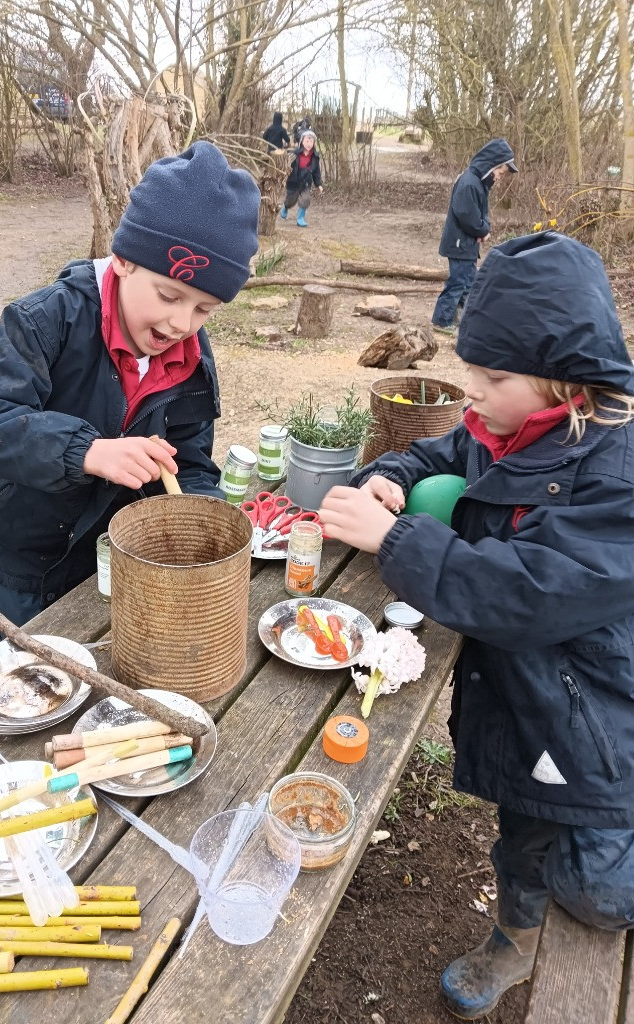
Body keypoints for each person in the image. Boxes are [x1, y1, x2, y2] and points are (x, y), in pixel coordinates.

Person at [320, 231, 634, 1020]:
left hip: (594, 717)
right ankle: (511, 937)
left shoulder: (616, 479)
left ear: (566, 384)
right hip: (526, 703)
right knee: (521, 829)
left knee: (597, 896)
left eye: (490, 376)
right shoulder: (504, 426)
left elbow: (530, 596)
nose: (471, 391)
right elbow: (437, 453)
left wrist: (397, 541)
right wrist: (388, 479)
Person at [0, 141, 260, 652]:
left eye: (204, 309)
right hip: (21, 542)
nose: (181, 323)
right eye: (169, 295)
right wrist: (89, 450)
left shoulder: (189, 354)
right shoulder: (45, 319)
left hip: (103, 547)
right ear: (125, 259)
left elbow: (190, 457)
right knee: (10, 648)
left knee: (84, 651)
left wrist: (200, 518)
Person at [431, 138, 517, 336]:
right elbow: (467, 216)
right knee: (458, 282)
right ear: (492, 165)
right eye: (500, 173)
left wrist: (484, 228)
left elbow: (480, 214)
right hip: (459, 244)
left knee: (469, 282)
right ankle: (442, 320)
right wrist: (482, 230)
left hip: (467, 244)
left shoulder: (479, 183)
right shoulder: (469, 183)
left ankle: (460, 316)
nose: (499, 178)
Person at [279, 130, 323, 228]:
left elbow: (316, 172)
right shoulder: (294, 154)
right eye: (307, 141)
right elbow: (286, 167)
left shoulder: (315, 157)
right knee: (291, 200)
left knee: (305, 199)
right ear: (302, 142)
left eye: (311, 141)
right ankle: (285, 207)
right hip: (293, 181)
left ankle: (300, 218)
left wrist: (319, 184)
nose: (309, 144)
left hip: (306, 182)